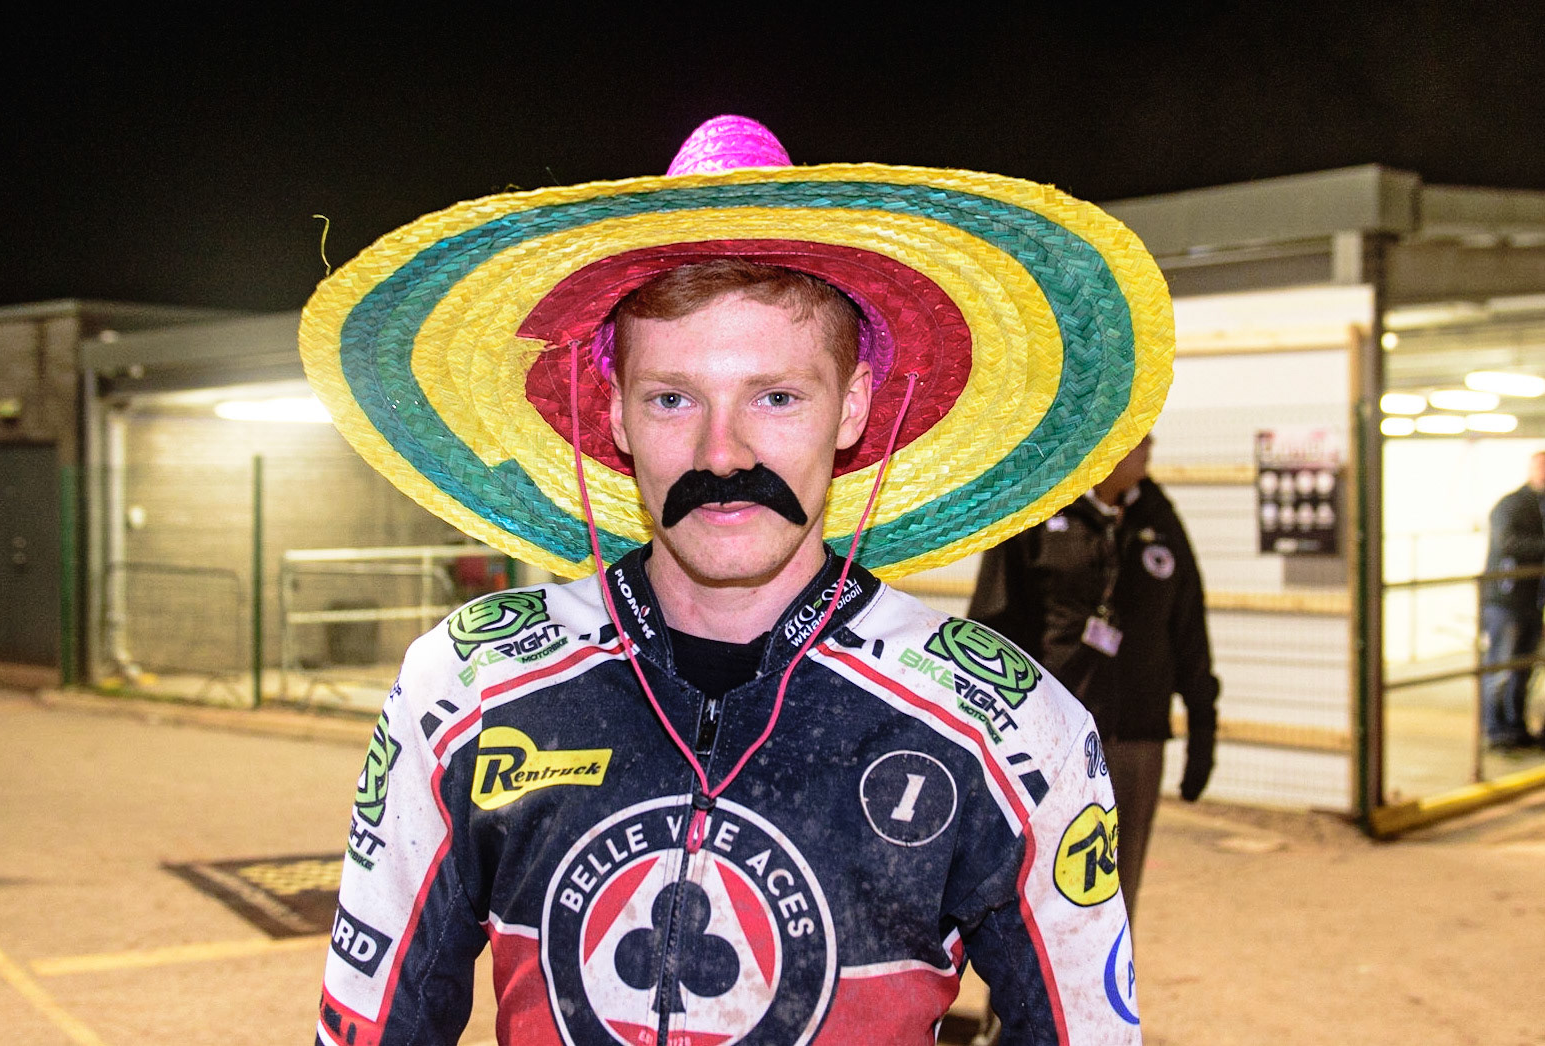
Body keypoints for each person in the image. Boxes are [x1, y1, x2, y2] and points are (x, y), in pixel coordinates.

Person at [300, 115, 1175, 1045]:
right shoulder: (464, 687)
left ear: (855, 409)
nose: (723, 454)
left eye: (777, 396)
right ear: (617, 418)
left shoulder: (1009, 730)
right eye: (673, 398)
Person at [969, 435, 1218, 923]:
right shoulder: (1036, 513)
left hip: (1134, 741)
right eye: (1138, 439)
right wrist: (988, 732)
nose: (1149, 448)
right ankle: (1022, 1000)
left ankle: (1099, 997)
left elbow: (1188, 629)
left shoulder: (1158, 518)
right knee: (1038, 891)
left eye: (1152, 438)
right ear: (1104, 446)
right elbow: (990, 628)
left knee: (1114, 899)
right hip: (1051, 743)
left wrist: (1202, 730)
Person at [1480, 450, 1545, 750]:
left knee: (1523, 669)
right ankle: (1495, 730)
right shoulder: (1511, 505)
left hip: (1532, 600)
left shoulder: (1537, 505)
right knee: (1501, 668)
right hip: (1506, 601)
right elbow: (1507, 543)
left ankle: (1515, 727)